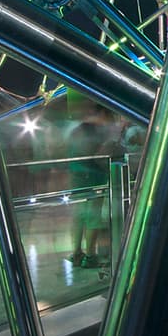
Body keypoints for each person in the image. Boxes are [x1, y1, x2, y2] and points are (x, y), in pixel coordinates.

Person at [67, 100, 115, 267]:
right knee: (92, 217)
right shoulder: (95, 131)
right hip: (93, 177)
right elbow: (96, 155)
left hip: (77, 175)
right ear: (102, 113)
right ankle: (91, 255)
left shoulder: (77, 129)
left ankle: (76, 253)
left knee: (80, 216)